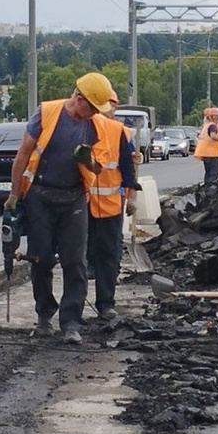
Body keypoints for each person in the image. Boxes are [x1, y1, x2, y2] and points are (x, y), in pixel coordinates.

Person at [7, 72, 112, 345]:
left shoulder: (95, 125)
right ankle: (45, 316)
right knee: (40, 258)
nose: (93, 115)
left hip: (74, 197)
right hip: (40, 194)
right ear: (78, 98)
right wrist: (14, 194)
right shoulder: (47, 113)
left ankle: (71, 322)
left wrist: (87, 160)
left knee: (75, 261)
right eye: (91, 108)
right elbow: (23, 154)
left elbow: (99, 166)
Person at [84, 89, 140, 320]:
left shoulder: (118, 131)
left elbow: (127, 169)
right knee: (78, 256)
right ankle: (76, 306)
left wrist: (132, 197)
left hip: (109, 205)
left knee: (108, 255)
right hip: (81, 206)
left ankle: (105, 303)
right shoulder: (80, 127)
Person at [194, 107, 218, 184]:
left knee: (208, 174)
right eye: (217, 117)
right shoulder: (212, 126)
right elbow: (213, 136)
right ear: (213, 117)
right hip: (212, 154)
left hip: (206, 154)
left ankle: (205, 190)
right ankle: (211, 191)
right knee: (214, 174)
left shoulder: (206, 126)